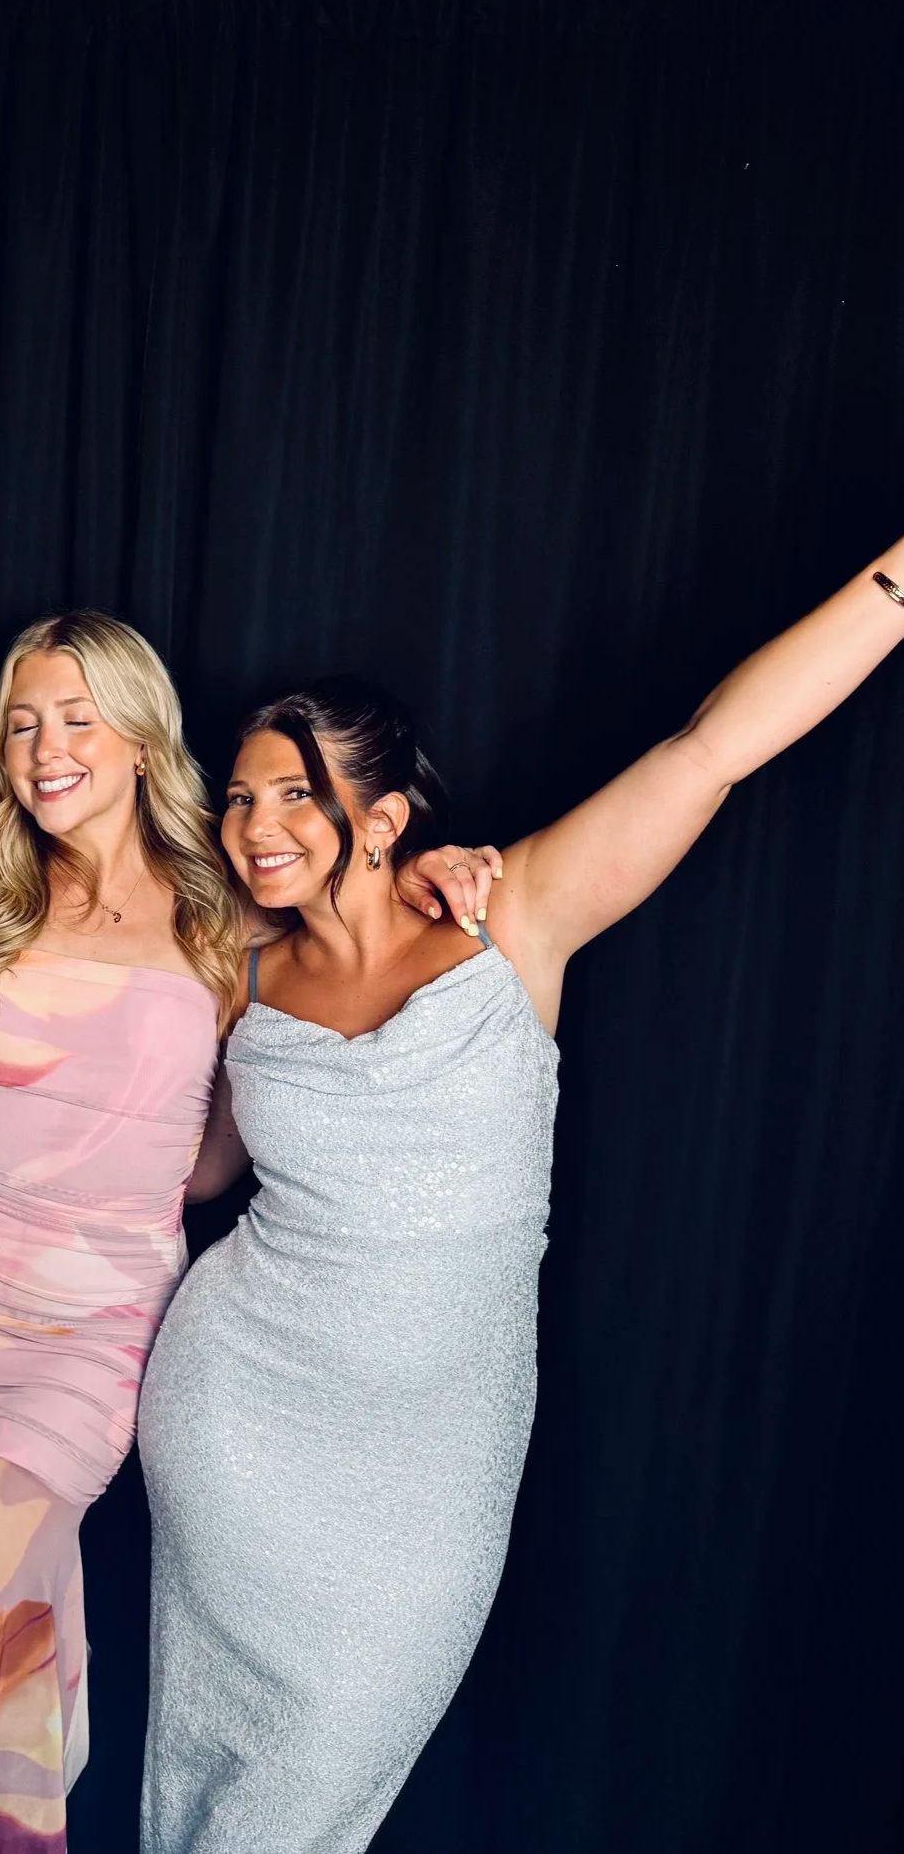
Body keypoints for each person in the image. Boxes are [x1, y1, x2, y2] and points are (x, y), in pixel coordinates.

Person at [0, 277, 498, 1854]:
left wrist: (463, 879)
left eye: (75, 717)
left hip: (88, 1324)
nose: (41, 747)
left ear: (139, 732)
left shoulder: (235, 902)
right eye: (23, 717)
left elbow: (321, 1000)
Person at [137, 543, 904, 1853]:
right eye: (241, 797)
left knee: (305, 1789)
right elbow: (194, 1170)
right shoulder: (239, 976)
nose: (253, 825)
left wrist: (891, 588)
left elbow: (705, 749)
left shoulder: (512, 919)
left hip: (426, 1470)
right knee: (197, 1779)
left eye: (295, 797)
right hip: (233, 1414)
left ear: (381, 820)